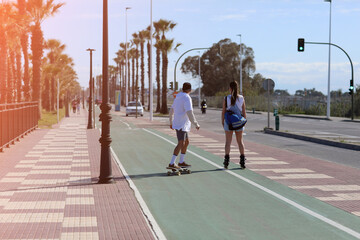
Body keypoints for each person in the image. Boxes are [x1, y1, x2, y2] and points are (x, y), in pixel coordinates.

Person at [169, 82, 200, 169]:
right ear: (190, 90)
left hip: (180, 124)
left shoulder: (177, 97)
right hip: (181, 124)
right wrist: (196, 124)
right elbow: (189, 112)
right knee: (181, 143)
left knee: (186, 142)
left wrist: (171, 122)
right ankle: (171, 163)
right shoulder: (187, 98)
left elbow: (171, 110)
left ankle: (181, 161)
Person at [221, 81, 247, 169]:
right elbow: (244, 112)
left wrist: (222, 122)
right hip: (239, 122)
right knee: (240, 142)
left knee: (228, 142)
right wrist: (244, 122)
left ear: (230, 88)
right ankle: (242, 160)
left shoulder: (226, 98)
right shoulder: (241, 98)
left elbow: (223, 111)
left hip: (229, 122)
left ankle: (226, 160)